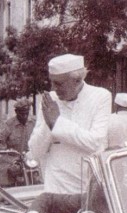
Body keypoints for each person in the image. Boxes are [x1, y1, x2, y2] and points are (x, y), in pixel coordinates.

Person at [28, 53, 112, 194]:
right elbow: (35, 152)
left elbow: (96, 143)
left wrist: (57, 123)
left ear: (77, 80)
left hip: (88, 186)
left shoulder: (100, 97)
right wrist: (49, 126)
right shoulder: (50, 101)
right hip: (56, 188)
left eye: (59, 83)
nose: (54, 88)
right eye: (52, 82)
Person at [0, 98, 36, 187]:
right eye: (22, 113)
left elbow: (40, 138)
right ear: (16, 112)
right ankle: (4, 193)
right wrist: (4, 150)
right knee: (6, 182)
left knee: (37, 179)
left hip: (28, 159)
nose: (24, 116)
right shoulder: (9, 124)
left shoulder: (33, 123)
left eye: (26, 113)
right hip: (11, 159)